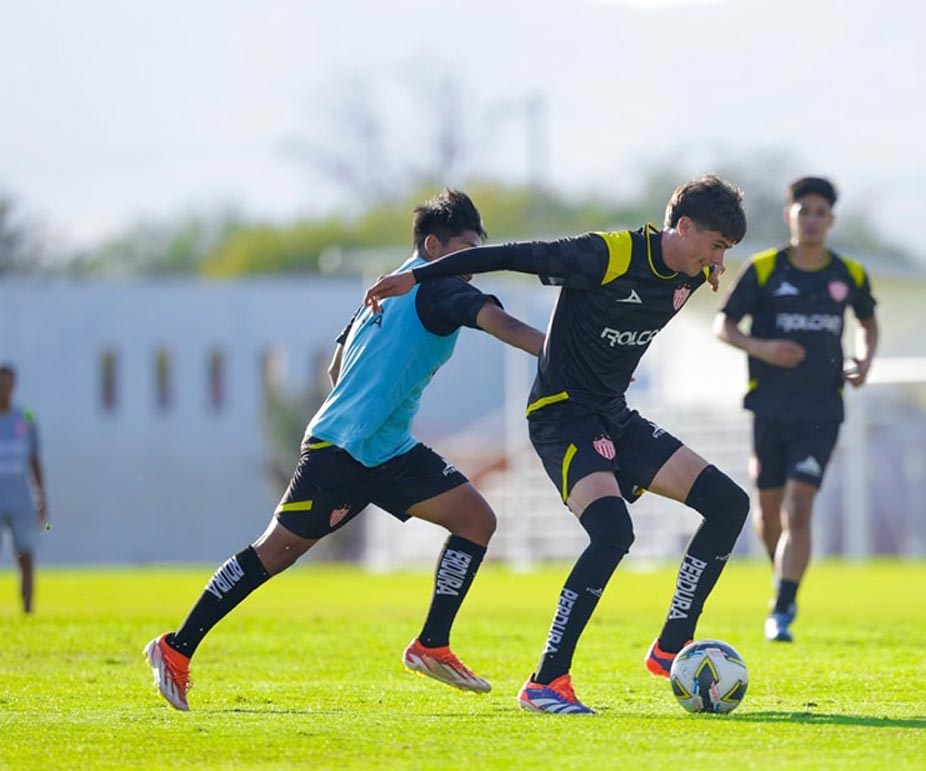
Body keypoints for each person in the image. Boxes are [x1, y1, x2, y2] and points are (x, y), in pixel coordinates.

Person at [363, 174, 752, 715]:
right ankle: (546, 682)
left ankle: (670, 647)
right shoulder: (607, 254)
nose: (719, 260)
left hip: (614, 416)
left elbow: (694, 267)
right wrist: (418, 277)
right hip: (561, 416)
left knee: (730, 503)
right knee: (613, 532)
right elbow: (512, 255)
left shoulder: (692, 267)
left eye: (726, 252)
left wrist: (708, 262)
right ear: (683, 227)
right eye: (716, 246)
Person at [144, 190, 545, 711]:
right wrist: (567, 355)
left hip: (386, 448)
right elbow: (501, 325)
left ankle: (432, 644)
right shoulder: (440, 287)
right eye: (465, 249)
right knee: (275, 552)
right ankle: (174, 648)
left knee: (475, 520)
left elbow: (337, 364)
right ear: (433, 245)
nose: (470, 264)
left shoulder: (384, 286)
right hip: (344, 449)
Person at [714, 176, 880, 643]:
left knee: (799, 505)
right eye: (803, 210)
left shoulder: (848, 274)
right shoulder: (764, 270)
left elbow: (869, 323)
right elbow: (723, 325)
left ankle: (783, 606)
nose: (811, 219)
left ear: (830, 220)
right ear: (790, 215)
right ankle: (783, 576)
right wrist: (763, 348)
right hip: (769, 407)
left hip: (822, 409)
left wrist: (865, 360)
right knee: (768, 514)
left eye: (820, 212)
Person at [0, 363, 48, 614]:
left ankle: (27, 610)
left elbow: (34, 460)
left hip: (20, 499)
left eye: (7, 383)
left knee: (25, 555)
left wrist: (42, 497)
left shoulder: (25, 418)